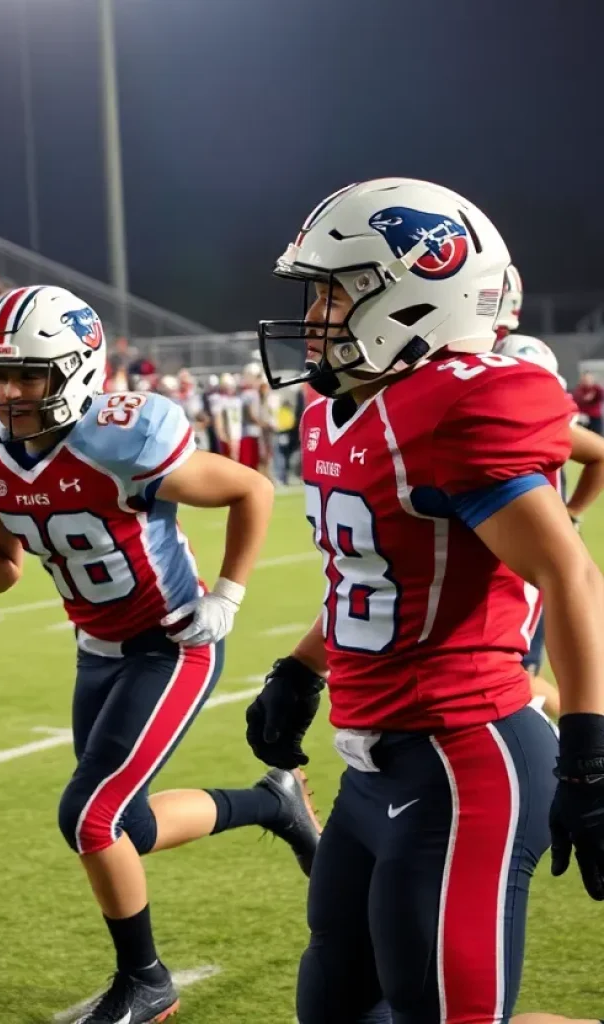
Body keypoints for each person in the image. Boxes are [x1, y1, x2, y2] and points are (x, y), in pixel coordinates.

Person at [249, 177, 604, 1024]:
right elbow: (372, 575)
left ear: (413, 295)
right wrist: (300, 669)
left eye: (336, 291)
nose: (319, 313)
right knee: (333, 1002)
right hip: (374, 766)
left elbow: (570, 574)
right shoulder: (342, 410)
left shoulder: (461, 403)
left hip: (463, 759)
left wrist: (590, 753)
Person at [0, 285, 320, 1024]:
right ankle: (273, 803)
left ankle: (146, 982)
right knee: (127, 827)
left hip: (170, 643)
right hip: (97, 650)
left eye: (31, 376)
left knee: (88, 817)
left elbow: (251, 488)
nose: (11, 393)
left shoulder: (120, 439)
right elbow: (2, 568)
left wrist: (230, 594)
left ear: (78, 371)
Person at [494, 270, 604, 720]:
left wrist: (571, 512)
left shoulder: (519, 384)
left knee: (516, 680)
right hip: (514, 555)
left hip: (520, 566)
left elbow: (597, 452)